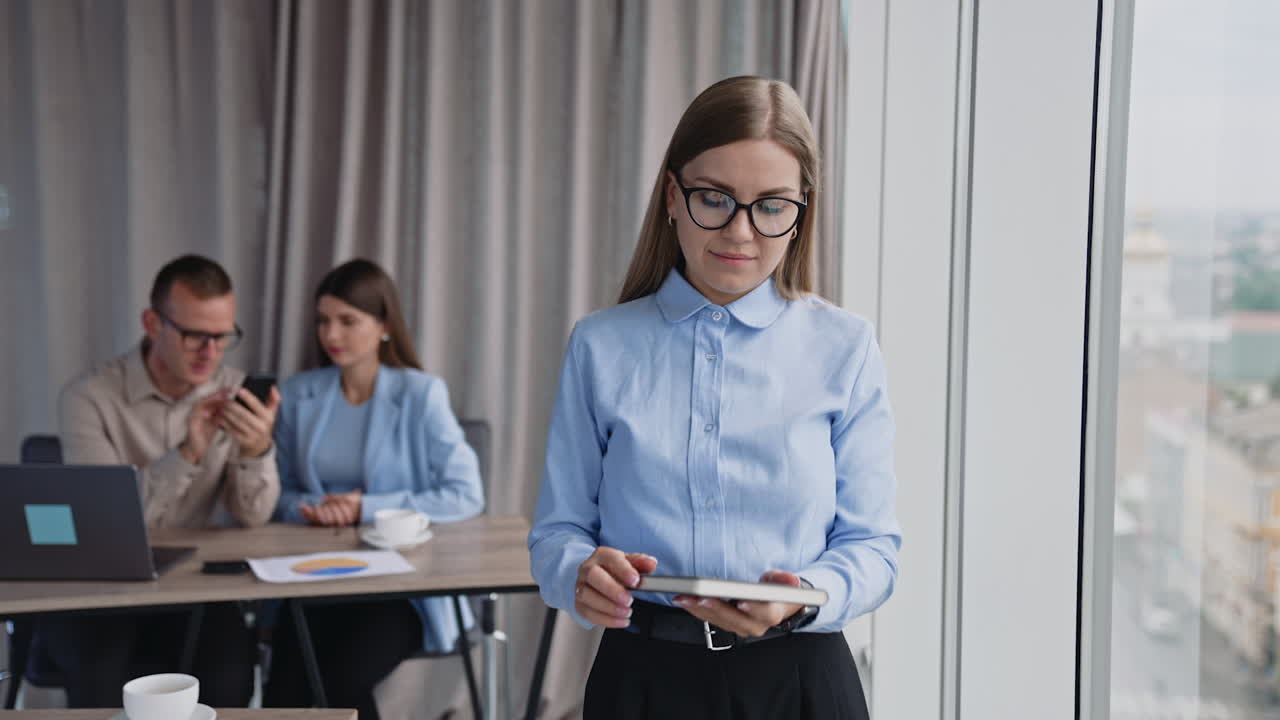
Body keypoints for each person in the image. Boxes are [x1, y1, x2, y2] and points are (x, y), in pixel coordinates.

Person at [528, 76, 901, 720]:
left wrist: (805, 593)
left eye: (772, 205)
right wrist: (578, 574)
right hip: (641, 681)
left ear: (800, 212)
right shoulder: (599, 346)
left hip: (802, 683)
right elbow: (558, 531)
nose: (740, 231)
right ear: (673, 196)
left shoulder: (846, 347)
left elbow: (874, 549)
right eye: (715, 198)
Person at [42, 254, 280, 707]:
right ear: (153, 324)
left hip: (196, 586)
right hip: (103, 589)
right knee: (98, 678)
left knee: (230, 678)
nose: (210, 353)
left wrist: (257, 451)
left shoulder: (234, 390)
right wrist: (188, 453)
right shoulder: (88, 398)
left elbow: (251, 518)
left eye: (222, 337)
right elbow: (109, 525)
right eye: (195, 336)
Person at [264, 258, 485, 720]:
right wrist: (314, 509)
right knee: (283, 687)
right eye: (324, 321)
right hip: (312, 575)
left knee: (340, 680)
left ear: (383, 325)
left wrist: (364, 507)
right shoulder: (298, 394)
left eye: (348, 321)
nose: (332, 335)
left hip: (400, 586)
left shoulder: (421, 394)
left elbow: (465, 494)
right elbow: (275, 495)